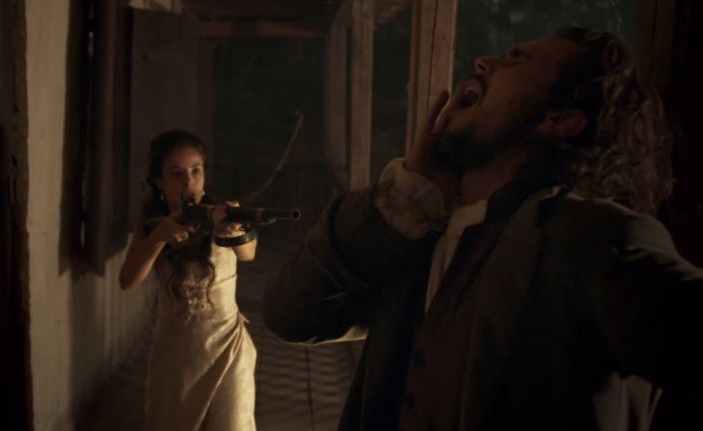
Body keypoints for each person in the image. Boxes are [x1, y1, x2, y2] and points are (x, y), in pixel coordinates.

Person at [263, 27, 703, 430]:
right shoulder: (420, 234)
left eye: (515, 60)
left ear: (558, 119)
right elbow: (291, 314)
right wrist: (404, 195)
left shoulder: (590, 237)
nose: (482, 63)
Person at [119, 130, 258, 431]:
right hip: (176, 353)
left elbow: (248, 254)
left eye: (196, 171)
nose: (189, 182)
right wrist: (159, 237)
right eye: (176, 173)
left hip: (227, 345)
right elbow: (128, 280)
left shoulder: (221, 213)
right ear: (159, 181)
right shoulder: (152, 220)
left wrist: (234, 230)